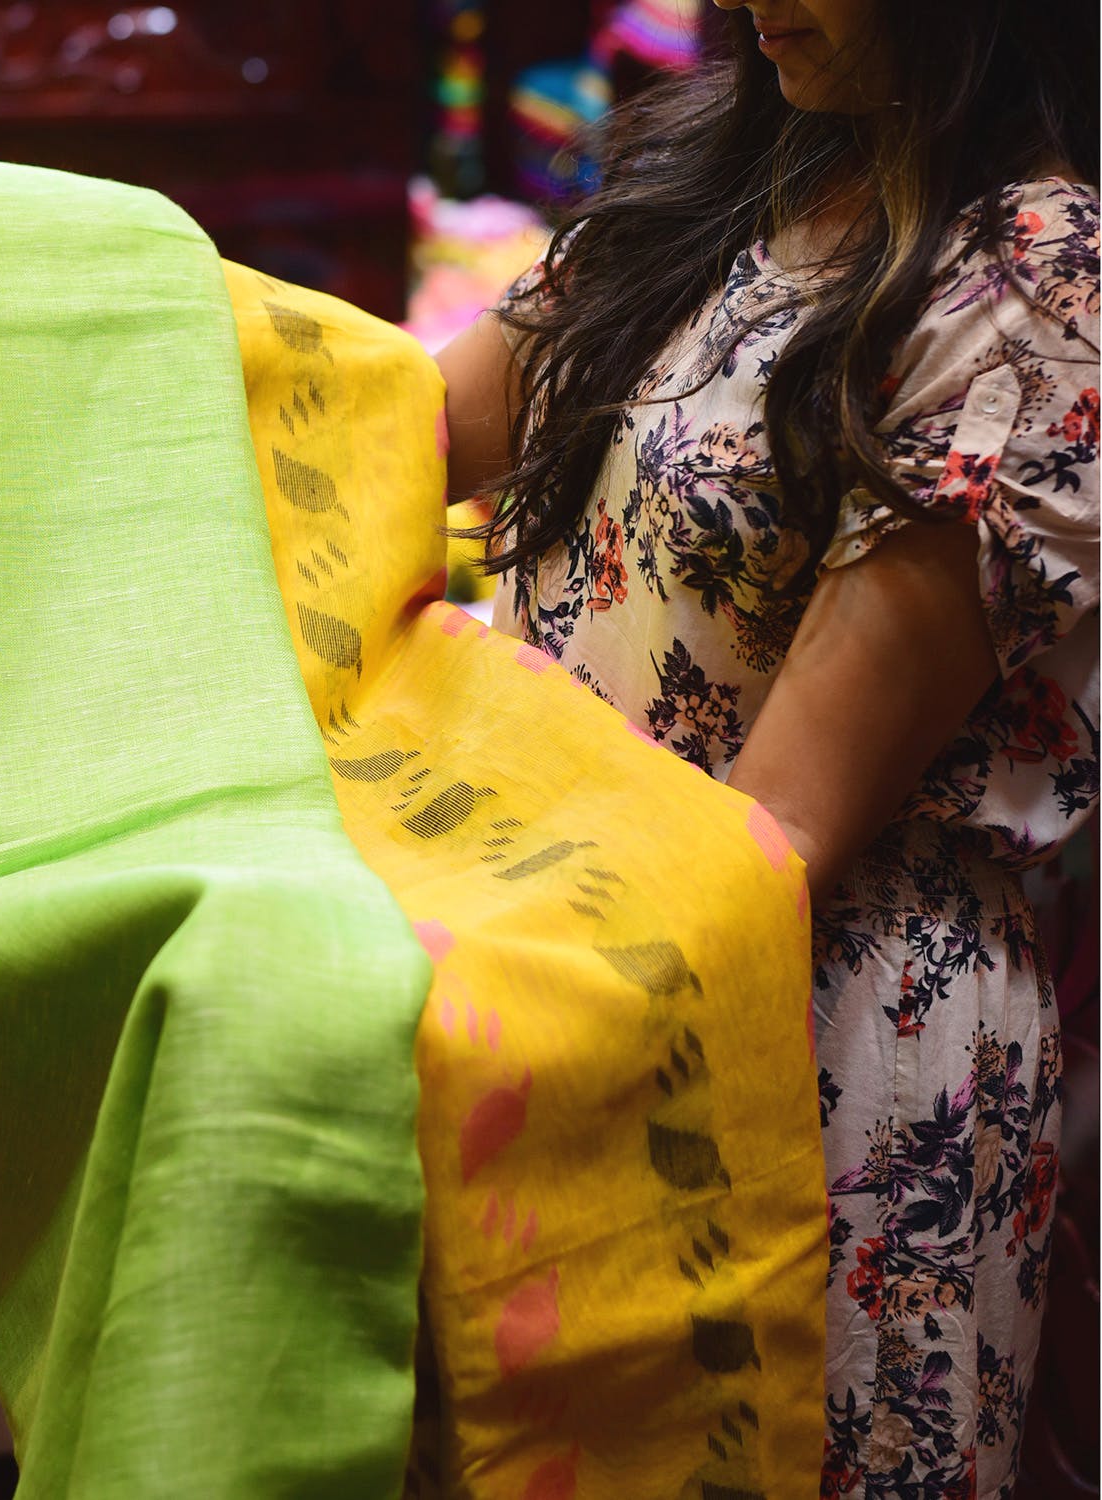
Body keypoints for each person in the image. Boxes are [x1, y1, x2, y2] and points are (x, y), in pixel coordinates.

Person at [436, 1, 1099, 1495]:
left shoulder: (1038, 282)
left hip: (805, 1057)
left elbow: (780, 830)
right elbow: (406, 423)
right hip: (573, 982)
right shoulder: (726, 187)